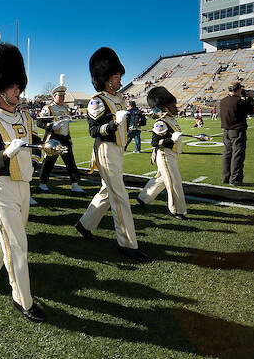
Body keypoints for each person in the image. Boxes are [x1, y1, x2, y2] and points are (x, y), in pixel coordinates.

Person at [0, 43, 46, 323]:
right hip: (3, 187)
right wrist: (5, 154)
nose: (19, 89)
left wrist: (46, 146)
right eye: (13, 84)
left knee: (10, 234)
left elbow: (35, 144)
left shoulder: (25, 116)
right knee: (18, 244)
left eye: (19, 83)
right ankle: (23, 299)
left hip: (25, 184)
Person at [74, 47, 150, 262]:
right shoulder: (98, 101)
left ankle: (84, 224)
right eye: (116, 76)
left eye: (119, 75)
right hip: (106, 150)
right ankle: (126, 243)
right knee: (120, 196)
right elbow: (93, 131)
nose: (119, 79)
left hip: (118, 149)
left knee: (108, 192)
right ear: (106, 79)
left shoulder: (120, 98)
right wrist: (113, 124)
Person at [137, 87, 187, 220]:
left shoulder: (170, 119)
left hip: (172, 154)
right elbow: (155, 142)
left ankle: (143, 198)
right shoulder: (161, 122)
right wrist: (171, 140)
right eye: (172, 105)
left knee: (161, 180)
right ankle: (176, 210)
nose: (175, 107)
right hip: (165, 155)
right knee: (174, 182)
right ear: (165, 107)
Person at [37, 74, 85, 194]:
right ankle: (43, 183)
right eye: (60, 96)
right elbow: (39, 122)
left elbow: (66, 126)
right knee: (49, 161)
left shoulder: (65, 108)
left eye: (63, 96)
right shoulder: (48, 108)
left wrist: (69, 139)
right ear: (54, 96)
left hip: (64, 138)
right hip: (53, 137)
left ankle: (75, 184)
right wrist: (51, 126)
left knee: (70, 162)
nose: (62, 98)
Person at [220, 82, 254, 186]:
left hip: (226, 131)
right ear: (238, 90)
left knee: (227, 154)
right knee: (237, 155)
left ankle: (225, 177)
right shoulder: (239, 102)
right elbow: (251, 111)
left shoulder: (223, 101)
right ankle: (235, 179)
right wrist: (249, 98)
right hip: (237, 131)